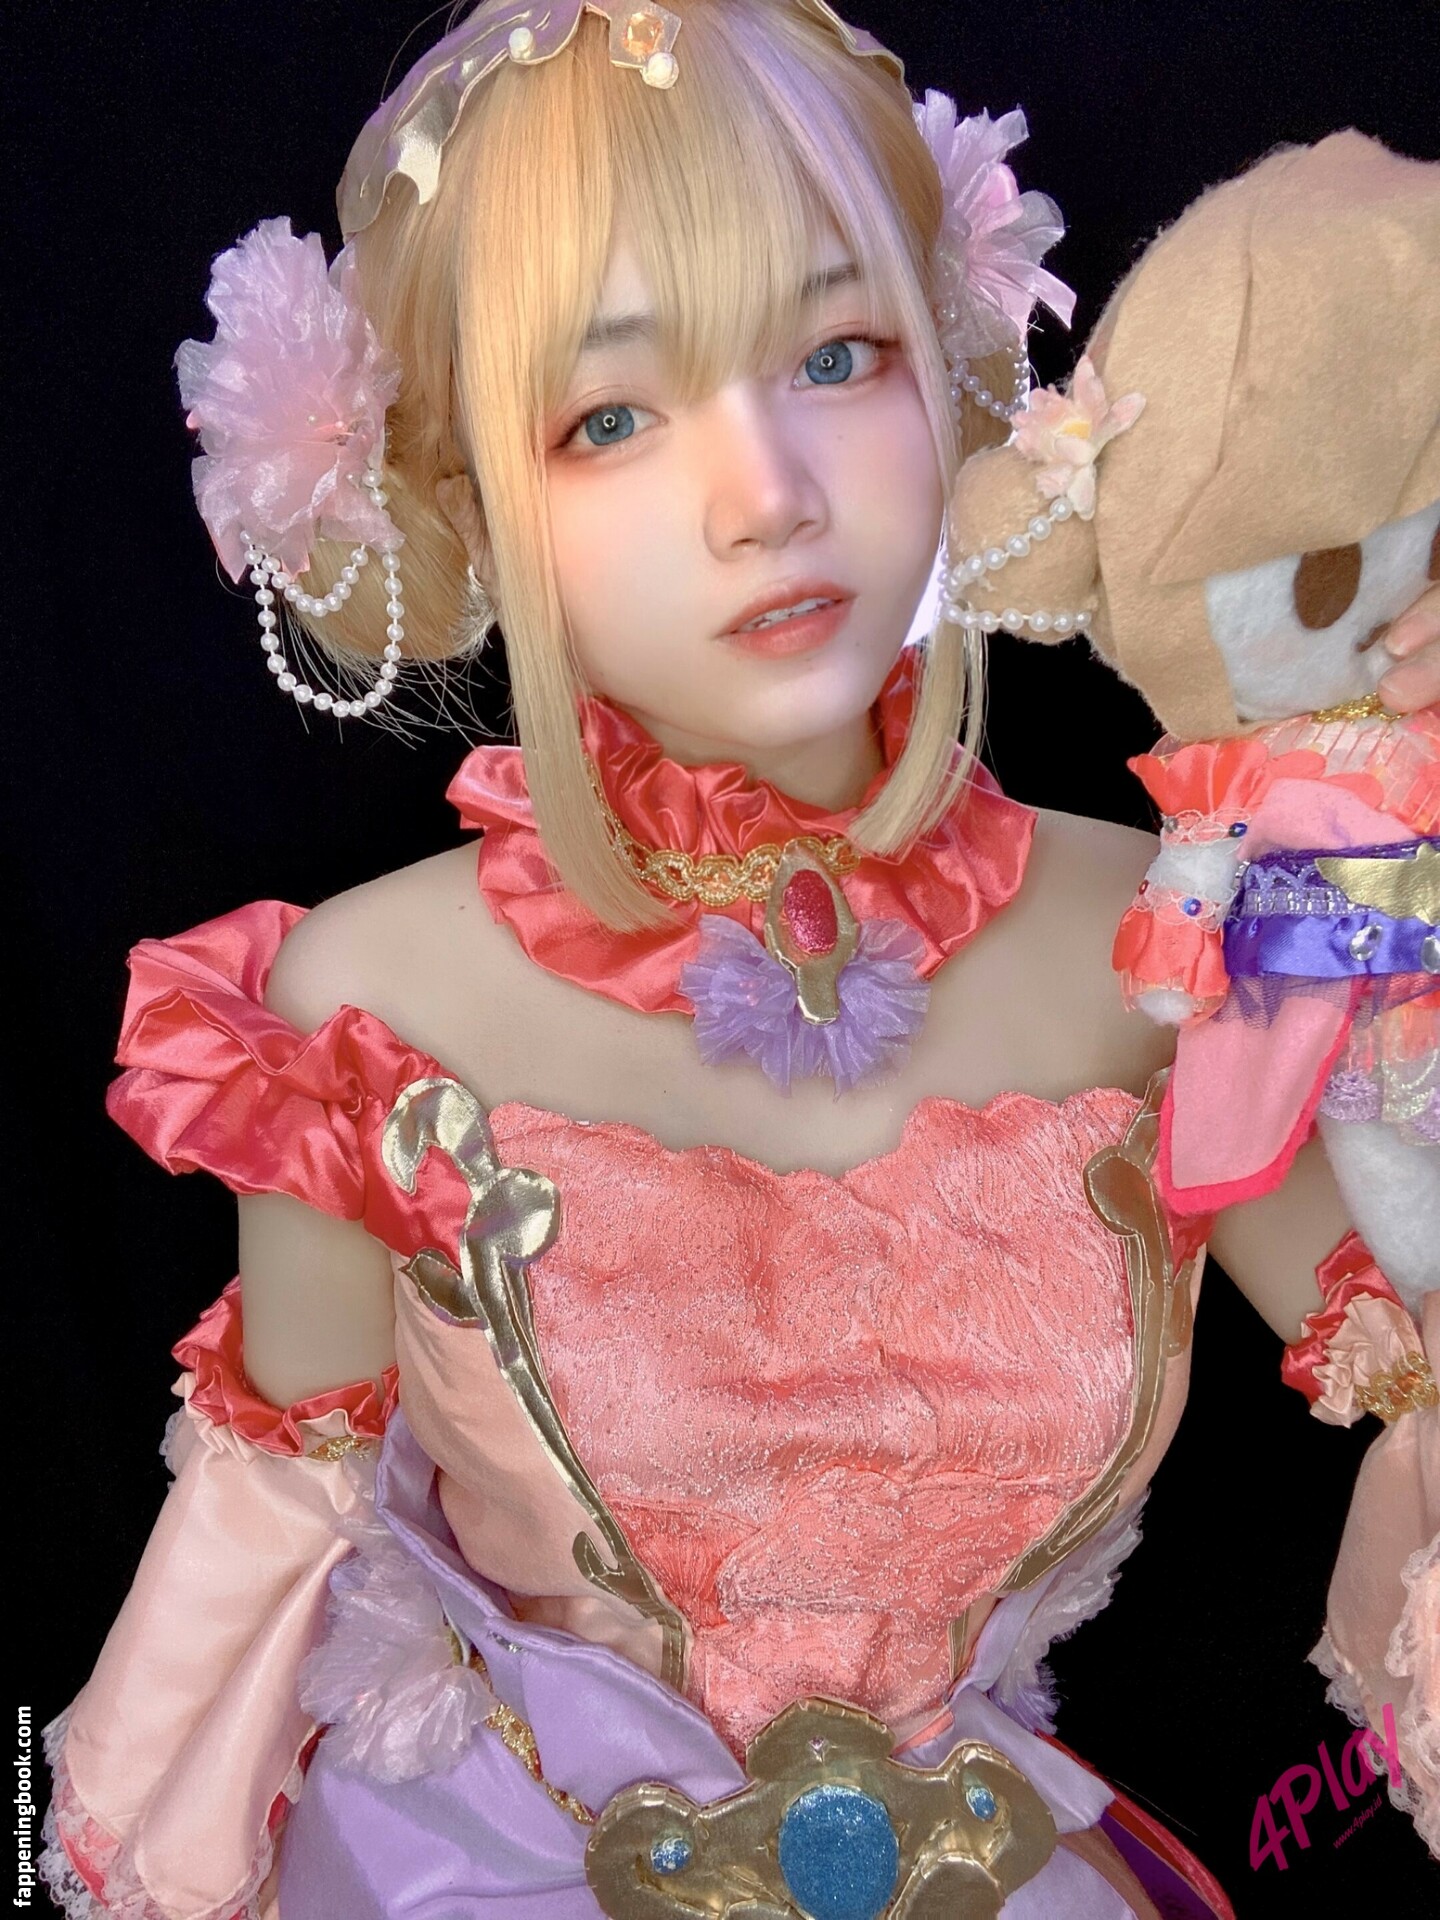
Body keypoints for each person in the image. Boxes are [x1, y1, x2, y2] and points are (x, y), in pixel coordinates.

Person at [38, 3, 1440, 1916]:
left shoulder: (1179, 936)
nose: (766, 489)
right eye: (610, 417)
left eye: (837, 354)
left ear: (953, 381)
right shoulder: (356, 1023)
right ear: (466, 503)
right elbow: (262, 1568)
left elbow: (1413, 1339)